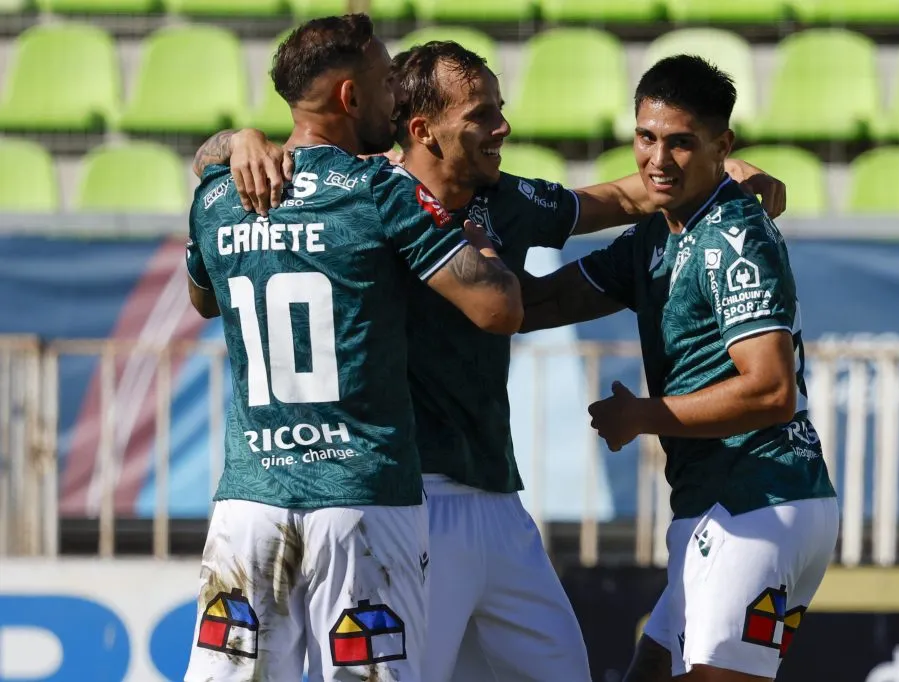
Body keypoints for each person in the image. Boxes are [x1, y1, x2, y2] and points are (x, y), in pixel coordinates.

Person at [191, 41, 788, 682]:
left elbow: (625, 198)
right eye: (481, 113)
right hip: (411, 500)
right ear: (424, 129)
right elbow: (249, 162)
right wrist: (240, 140)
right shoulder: (373, 194)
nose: (502, 127)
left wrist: (718, 169)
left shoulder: (503, 198)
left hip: (498, 500)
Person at [183, 16, 522, 682]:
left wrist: (234, 143)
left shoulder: (219, 196)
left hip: (250, 503)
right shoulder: (381, 191)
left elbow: (202, 300)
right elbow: (497, 308)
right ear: (349, 96)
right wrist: (482, 245)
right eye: (385, 81)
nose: (395, 98)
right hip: (362, 500)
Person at [519, 55, 838, 682]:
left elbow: (771, 391)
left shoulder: (732, 237)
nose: (657, 159)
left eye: (681, 143)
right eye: (646, 137)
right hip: (719, 505)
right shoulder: (658, 234)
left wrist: (642, 415)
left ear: (723, 146)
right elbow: (540, 304)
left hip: (760, 502)